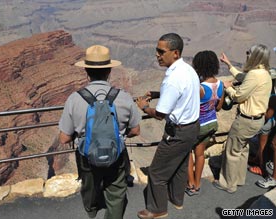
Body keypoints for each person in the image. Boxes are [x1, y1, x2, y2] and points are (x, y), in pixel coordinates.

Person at [58, 45, 141, 219]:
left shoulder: (74, 99)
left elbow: (64, 138)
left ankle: (91, 210)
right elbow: (136, 130)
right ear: (109, 71)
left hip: (87, 156)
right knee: (117, 192)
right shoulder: (124, 97)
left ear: (86, 71)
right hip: (116, 154)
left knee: (89, 185)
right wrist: (121, 135)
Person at [136, 33, 200, 219]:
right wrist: (158, 94)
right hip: (192, 128)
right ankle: (176, 200)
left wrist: (145, 107)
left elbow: (160, 115)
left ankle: (157, 210)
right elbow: (183, 95)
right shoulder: (188, 70)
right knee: (180, 165)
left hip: (177, 133)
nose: (157, 55)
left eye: (161, 51)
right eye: (156, 50)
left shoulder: (173, 78)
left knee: (156, 172)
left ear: (175, 52)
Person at [213, 44, 272, 194]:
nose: (246, 54)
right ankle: (238, 179)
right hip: (257, 120)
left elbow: (239, 97)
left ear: (255, 56)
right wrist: (229, 65)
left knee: (232, 151)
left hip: (246, 120)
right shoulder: (264, 73)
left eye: (248, 52)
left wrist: (227, 87)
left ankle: (228, 184)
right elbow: (242, 78)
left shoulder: (254, 74)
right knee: (242, 149)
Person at [186, 50, 224, 196]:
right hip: (212, 123)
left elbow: (190, 106)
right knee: (200, 154)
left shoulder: (200, 87)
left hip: (199, 125)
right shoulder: (220, 84)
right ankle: (198, 183)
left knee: (188, 153)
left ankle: (191, 185)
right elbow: (219, 107)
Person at [248, 93, 276, 176]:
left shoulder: (273, 97)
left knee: (262, 146)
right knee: (267, 145)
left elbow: (268, 115)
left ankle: (261, 167)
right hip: (273, 123)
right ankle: (257, 159)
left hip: (269, 123)